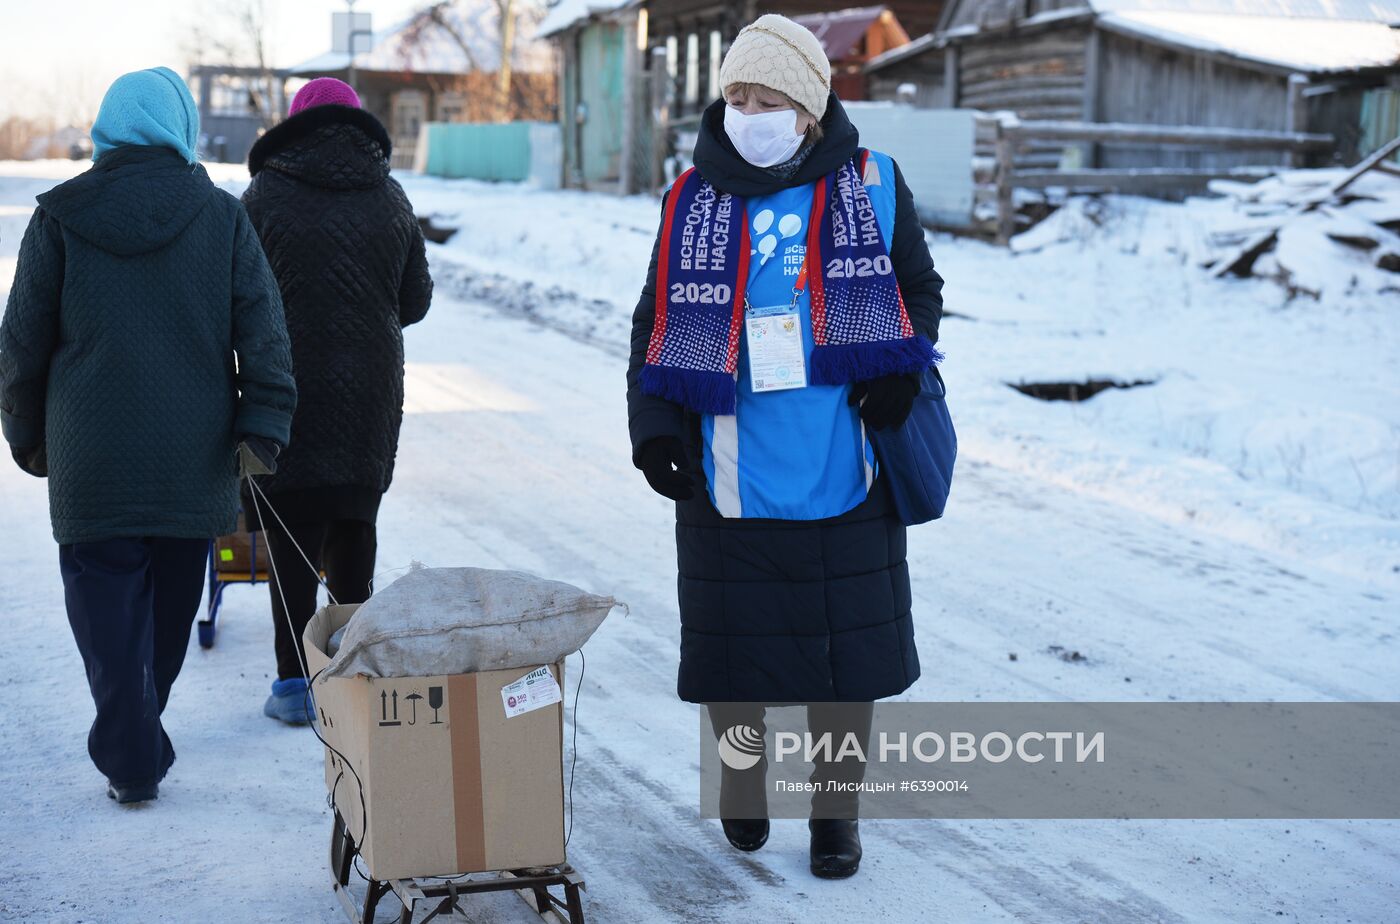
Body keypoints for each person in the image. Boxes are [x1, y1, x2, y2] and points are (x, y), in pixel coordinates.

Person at [625, 16, 944, 877]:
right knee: (736, 647)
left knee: (845, 661)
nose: (747, 111)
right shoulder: (691, 197)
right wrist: (655, 429)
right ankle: (741, 783)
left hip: (847, 459)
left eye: (766, 98)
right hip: (729, 463)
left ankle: (835, 819)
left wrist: (904, 366)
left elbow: (918, 289)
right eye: (735, 96)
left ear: (807, 108)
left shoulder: (872, 184)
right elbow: (654, 322)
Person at [0, 67, 297, 805]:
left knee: (106, 626)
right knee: (164, 622)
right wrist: (261, 425)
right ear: (181, 127)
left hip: (89, 459)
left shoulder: (61, 217)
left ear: (107, 129)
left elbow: (19, 347)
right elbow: (265, 336)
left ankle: (129, 749)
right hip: (191, 461)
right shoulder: (220, 217)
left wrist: (28, 435)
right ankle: (138, 737)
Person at [239, 77, 433, 724]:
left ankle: (295, 684)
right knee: (356, 523)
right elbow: (415, 302)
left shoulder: (264, 196)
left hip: (286, 385)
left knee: (291, 534)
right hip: (372, 386)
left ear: (293, 126)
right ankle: (351, 672)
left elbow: (234, 300)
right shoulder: (391, 196)